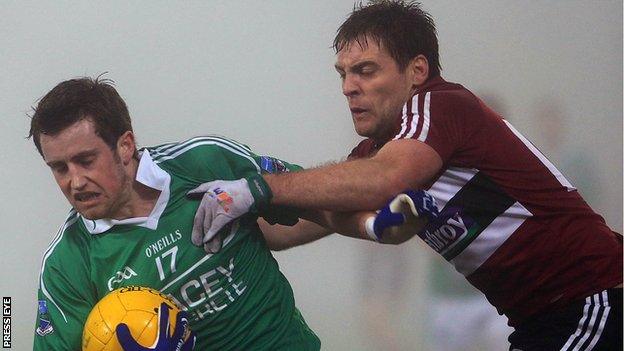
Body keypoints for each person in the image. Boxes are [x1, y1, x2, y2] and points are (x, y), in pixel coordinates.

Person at [192, 1, 623, 350]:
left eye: (366, 70)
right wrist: (190, 218)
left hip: (595, 297)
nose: (348, 87)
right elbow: (288, 230)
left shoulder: (440, 105)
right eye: (343, 73)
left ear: (417, 71)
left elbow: (387, 179)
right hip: (544, 318)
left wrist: (259, 187)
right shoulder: (372, 155)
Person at [28, 77, 326, 350]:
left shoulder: (205, 162)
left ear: (125, 146)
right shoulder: (65, 264)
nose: (75, 182)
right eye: (59, 168)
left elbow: (316, 202)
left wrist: (367, 204)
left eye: (86, 160)